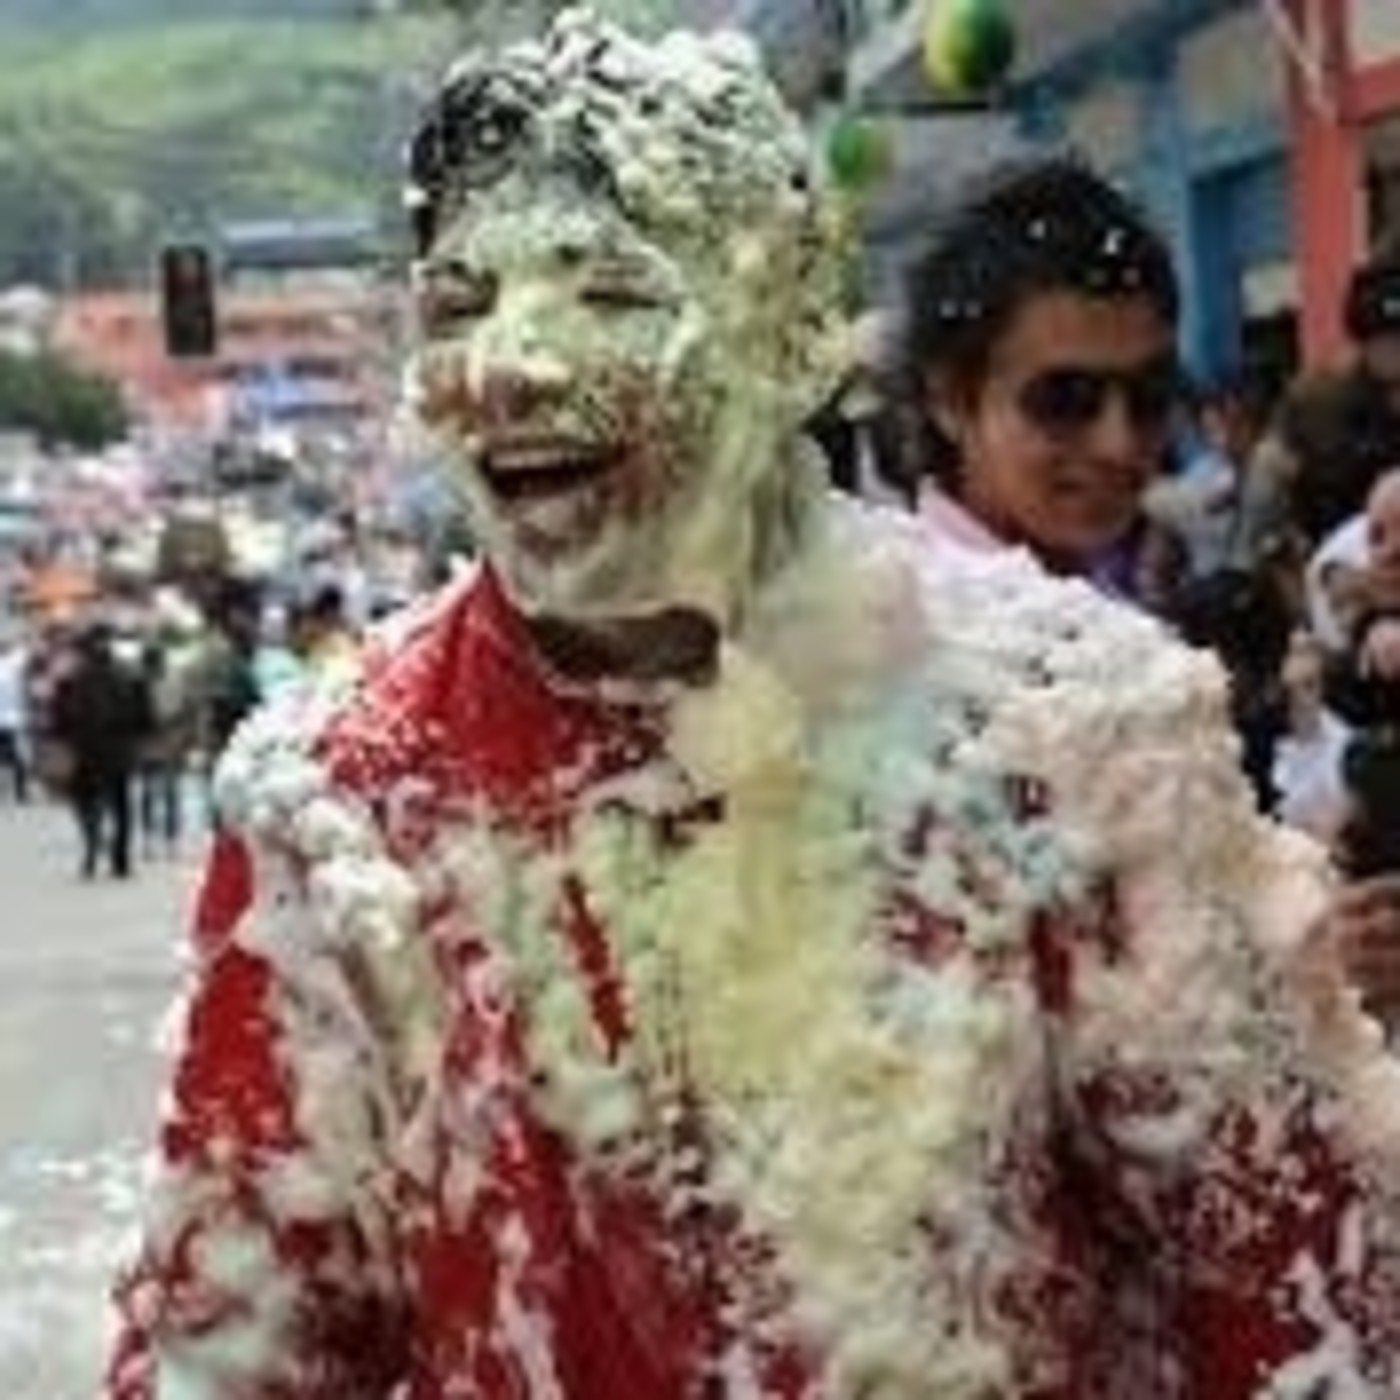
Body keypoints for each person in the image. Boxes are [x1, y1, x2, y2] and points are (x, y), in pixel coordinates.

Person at [108, 13, 1400, 1397]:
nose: (508, 367)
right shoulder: (341, 799)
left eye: (605, 295)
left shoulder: (1067, 726)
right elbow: (226, 1350)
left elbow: (1299, 1299)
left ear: (786, 335)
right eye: (459, 305)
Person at [49, 621, 153, 879]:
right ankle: (120, 859)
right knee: (121, 806)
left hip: (84, 752)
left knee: (85, 802)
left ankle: (92, 844)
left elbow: (58, 721)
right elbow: (146, 719)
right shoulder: (130, 676)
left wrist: (63, 742)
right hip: (118, 751)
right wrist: (137, 737)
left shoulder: (69, 679)